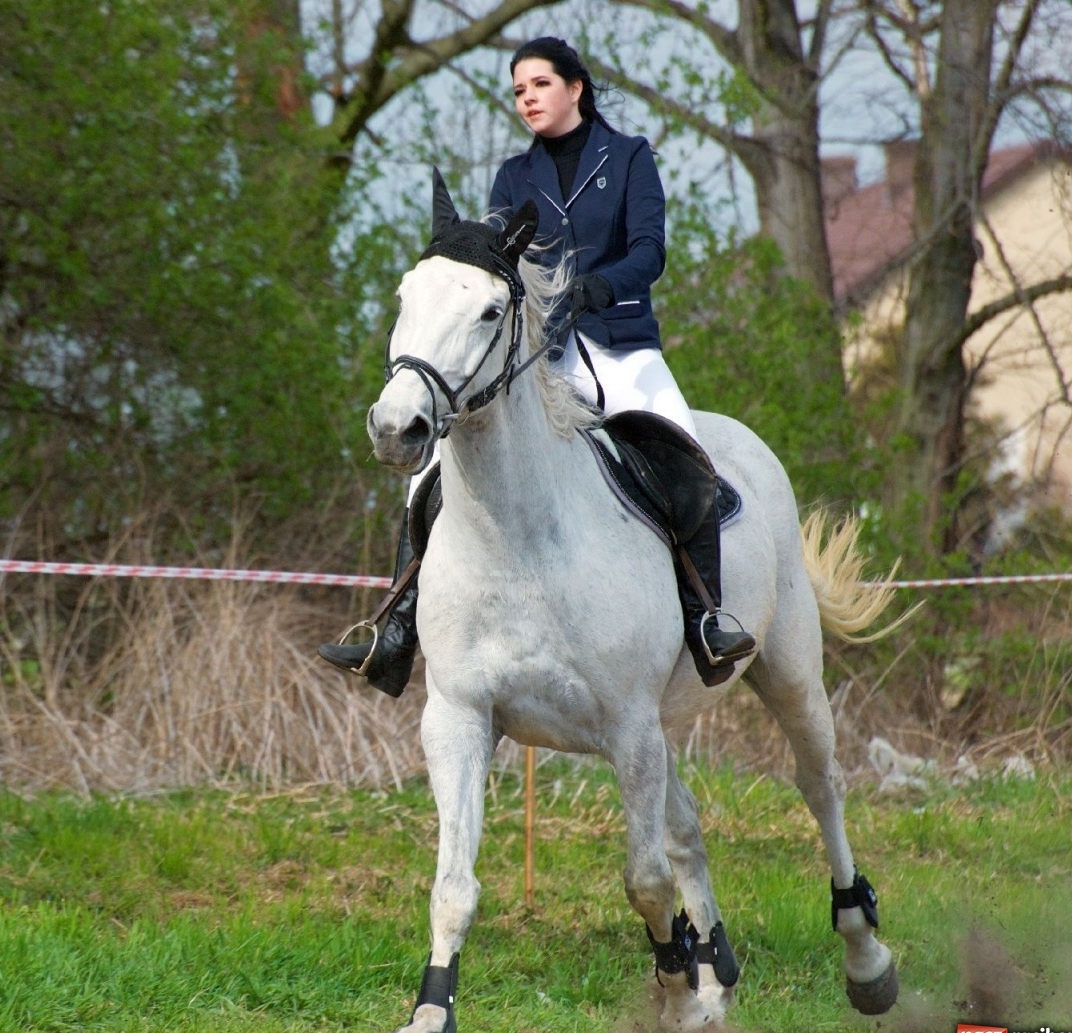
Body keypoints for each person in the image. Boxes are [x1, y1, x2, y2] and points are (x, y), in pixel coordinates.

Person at [318, 36, 755, 697]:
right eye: (518, 89)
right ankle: (397, 624)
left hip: (622, 342)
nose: (526, 98)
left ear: (574, 88)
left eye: (538, 85)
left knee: (684, 452)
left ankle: (707, 618)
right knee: (429, 471)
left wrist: (601, 286)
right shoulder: (512, 179)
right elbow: (494, 270)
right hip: (539, 356)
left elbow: (649, 250)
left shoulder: (630, 158)